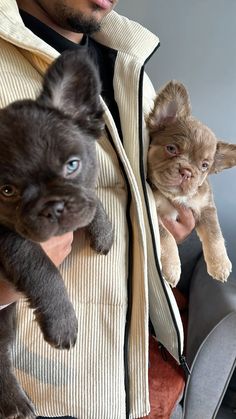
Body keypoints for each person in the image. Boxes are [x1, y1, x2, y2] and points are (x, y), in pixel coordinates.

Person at [1, 1, 235, 418]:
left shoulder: (129, 63)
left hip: (128, 375)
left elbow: (133, 190)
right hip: (41, 390)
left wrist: (164, 231)